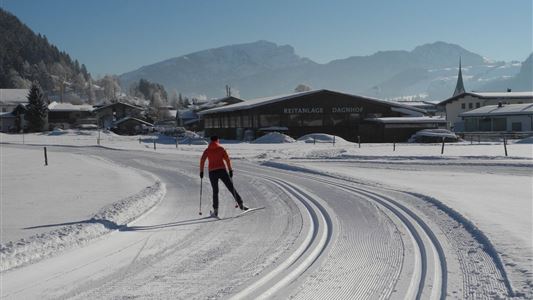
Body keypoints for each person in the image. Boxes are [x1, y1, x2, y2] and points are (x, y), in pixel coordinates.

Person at [200, 136, 247, 217]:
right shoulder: (221, 149)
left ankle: (216, 211)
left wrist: (201, 171)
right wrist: (230, 170)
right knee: (231, 188)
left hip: (212, 172)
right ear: (217, 140)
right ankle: (241, 205)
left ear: (210, 141)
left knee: (215, 191)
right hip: (222, 171)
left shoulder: (207, 150)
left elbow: (202, 160)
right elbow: (227, 159)